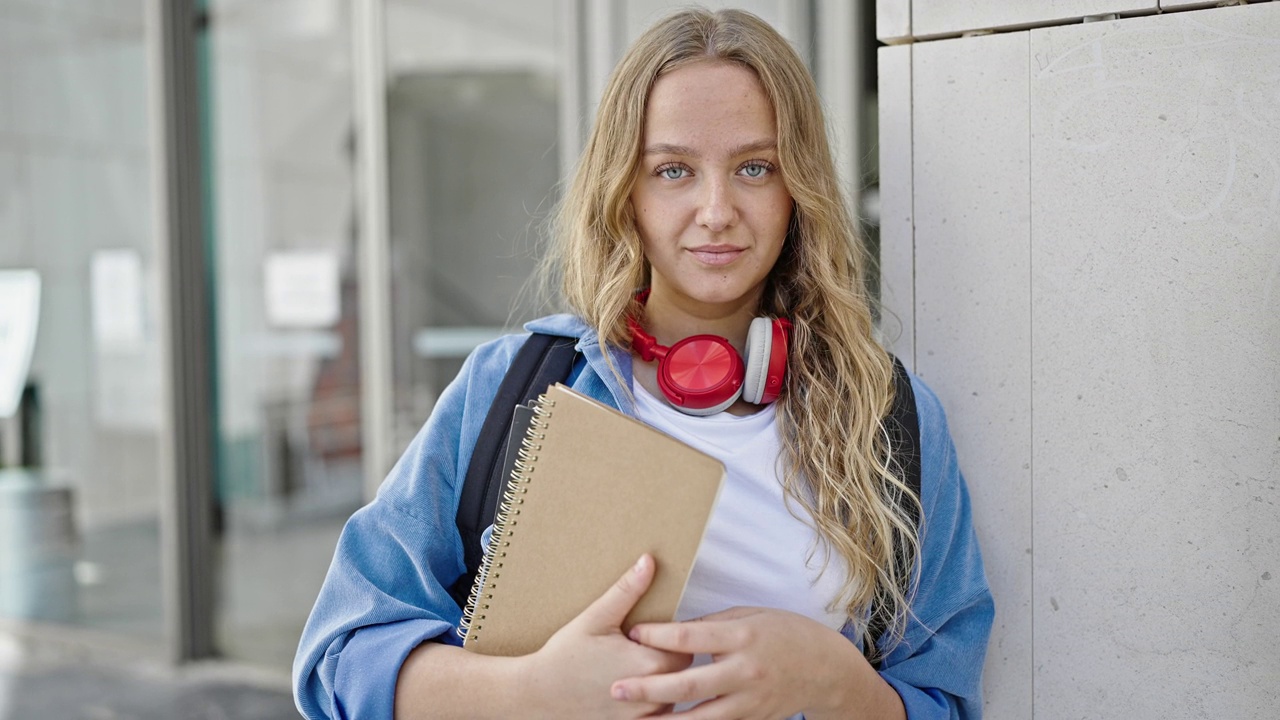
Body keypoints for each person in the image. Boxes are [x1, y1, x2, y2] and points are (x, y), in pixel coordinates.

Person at [293, 8, 992, 720]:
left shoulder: (891, 418)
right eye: (674, 170)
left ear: (799, 190)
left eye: (756, 167)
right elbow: (339, 659)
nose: (716, 210)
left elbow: (945, 699)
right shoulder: (514, 388)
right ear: (625, 188)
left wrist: (836, 684)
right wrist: (531, 691)